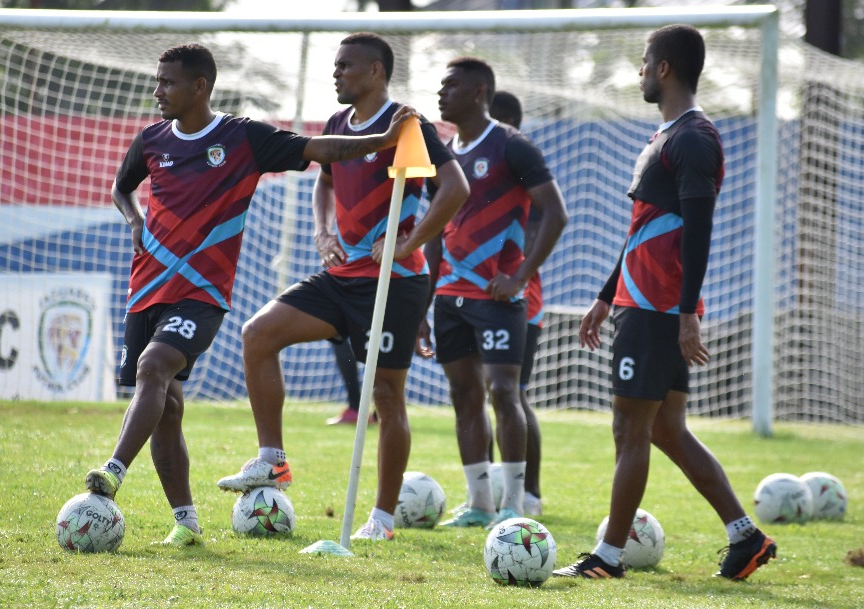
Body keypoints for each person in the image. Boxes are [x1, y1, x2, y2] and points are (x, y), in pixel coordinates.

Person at [83, 43, 420, 548]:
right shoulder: (151, 140)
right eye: (157, 82)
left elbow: (317, 149)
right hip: (146, 288)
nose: (157, 92)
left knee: (155, 369)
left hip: (201, 294)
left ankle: (112, 472)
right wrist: (134, 220)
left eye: (167, 83)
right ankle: (186, 522)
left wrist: (383, 138)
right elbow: (121, 186)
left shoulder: (242, 138)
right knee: (165, 406)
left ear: (200, 87)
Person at [216, 32, 470, 542]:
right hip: (340, 277)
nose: (336, 74)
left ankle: (381, 519)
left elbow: (456, 187)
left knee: (386, 395)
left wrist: (408, 243)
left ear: (376, 72)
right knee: (258, 334)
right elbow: (326, 181)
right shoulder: (336, 125)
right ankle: (272, 461)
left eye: (346, 66)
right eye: (335, 65)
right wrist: (322, 230)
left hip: (395, 283)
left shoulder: (407, 123)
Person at [552, 25, 776, 580]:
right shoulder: (665, 137)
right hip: (638, 302)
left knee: (630, 428)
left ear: (665, 69)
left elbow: (698, 231)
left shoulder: (694, 139)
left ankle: (607, 557)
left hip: (657, 309)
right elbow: (643, 228)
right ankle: (745, 537)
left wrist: (686, 313)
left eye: (645, 62)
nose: (639, 72)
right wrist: (606, 296)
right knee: (666, 430)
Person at [422, 58, 567, 529]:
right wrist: (425, 301)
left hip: (498, 297)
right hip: (449, 296)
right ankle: (480, 504)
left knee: (505, 392)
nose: (441, 93)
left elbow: (555, 213)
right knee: (464, 395)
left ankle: (515, 503)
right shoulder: (442, 153)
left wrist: (522, 275)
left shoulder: (512, 146)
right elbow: (437, 232)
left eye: (452, 85)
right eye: (441, 85)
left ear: (480, 91)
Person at [490, 90, 546, 517]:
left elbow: (544, 218)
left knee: (513, 394)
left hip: (519, 298)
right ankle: (494, 490)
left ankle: (530, 493)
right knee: (487, 393)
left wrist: (517, 275)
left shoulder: (521, 160)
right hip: (474, 294)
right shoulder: (475, 161)